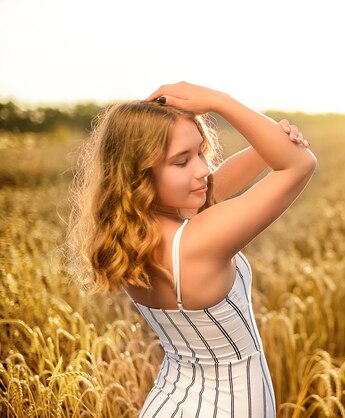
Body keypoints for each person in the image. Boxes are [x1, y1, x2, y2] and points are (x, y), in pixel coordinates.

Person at [62, 81, 317, 417]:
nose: (202, 169)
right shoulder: (196, 243)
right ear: (139, 175)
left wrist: (275, 138)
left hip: (173, 400)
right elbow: (299, 164)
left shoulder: (141, 229)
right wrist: (219, 101)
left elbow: (216, 187)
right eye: (182, 161)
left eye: (200, 151)